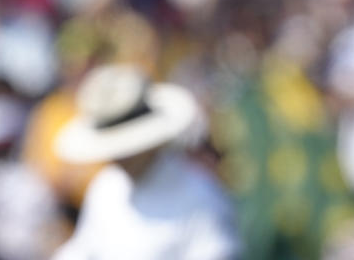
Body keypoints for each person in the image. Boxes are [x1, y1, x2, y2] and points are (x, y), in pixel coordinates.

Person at [51, 63, 242, 260]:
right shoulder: (106, 187)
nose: (118, 159)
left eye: (127, 150)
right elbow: (84, 248)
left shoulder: (202, 197)